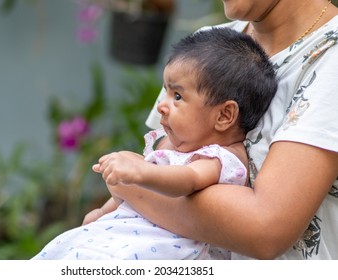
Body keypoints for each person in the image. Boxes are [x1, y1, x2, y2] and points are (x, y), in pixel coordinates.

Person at [85, 0, 338, 260]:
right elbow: (165, 159)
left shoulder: (331, 60)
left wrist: (130, 186)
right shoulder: (206, 46)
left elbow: (264, 229)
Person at [31, 27, 277, 260]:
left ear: (224, 116)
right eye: (166, 91)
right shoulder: (173, 144)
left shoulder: (220, 158)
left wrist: (141, 171)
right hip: (129, 236)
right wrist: (104, 212)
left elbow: (187, 182)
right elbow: (132, 197)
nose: (162, 104)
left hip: (168, 251)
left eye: (177, 96)